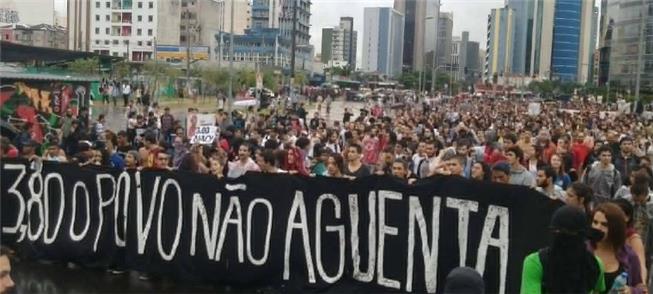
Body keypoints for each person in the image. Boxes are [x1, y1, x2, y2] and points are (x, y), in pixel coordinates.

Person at [521, 206, 606, 293]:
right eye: (558, 232)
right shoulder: (536, 262)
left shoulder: (596, 265)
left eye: (570, 233)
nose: (563, 240)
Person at [590, 202, 644, 292]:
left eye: (604, 224)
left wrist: (631, 291)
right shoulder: (583, 249)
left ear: (616, 228)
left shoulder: (629, 255)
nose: (597, 227)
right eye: (595, 222)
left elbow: (641, 288)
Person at [613, 198, 648, 285]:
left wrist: (640, 287)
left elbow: (641, 266)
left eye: (617, 215)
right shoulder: (606, 235)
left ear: (627, 217)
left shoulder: (633, 238)